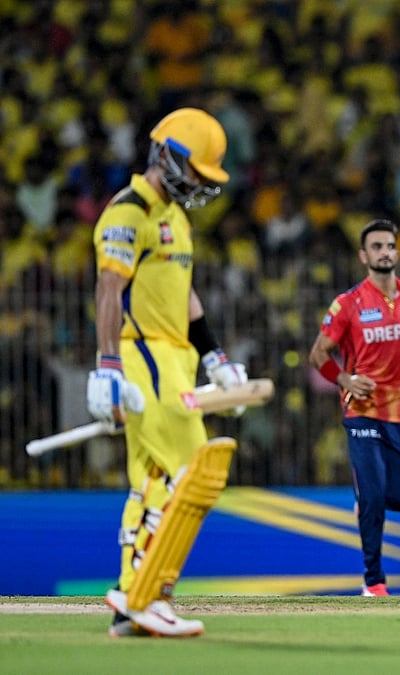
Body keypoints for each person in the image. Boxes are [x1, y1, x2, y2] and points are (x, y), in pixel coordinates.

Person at [89, 107, 248, 637]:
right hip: (145, 357)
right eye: (198, 171)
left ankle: (130, 602)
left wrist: (214, 358)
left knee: (153, 483)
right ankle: (151, 597)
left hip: (174, 356)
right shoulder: (128, 211)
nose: (202, 183)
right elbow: (110, 288)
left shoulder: (176, 218)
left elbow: (185, 296)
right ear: (168, 156)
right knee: (193, 476)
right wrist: (108, 365)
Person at [309, 219, 400, 597]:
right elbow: (318, 355)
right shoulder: (348, 304)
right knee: (375, 494)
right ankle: (373, 580)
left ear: (397, 252)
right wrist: (345, 380)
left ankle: (367, 499)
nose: (384, 252)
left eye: (389, 246)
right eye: (376, 247)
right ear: (364, 256)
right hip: (363, 411)